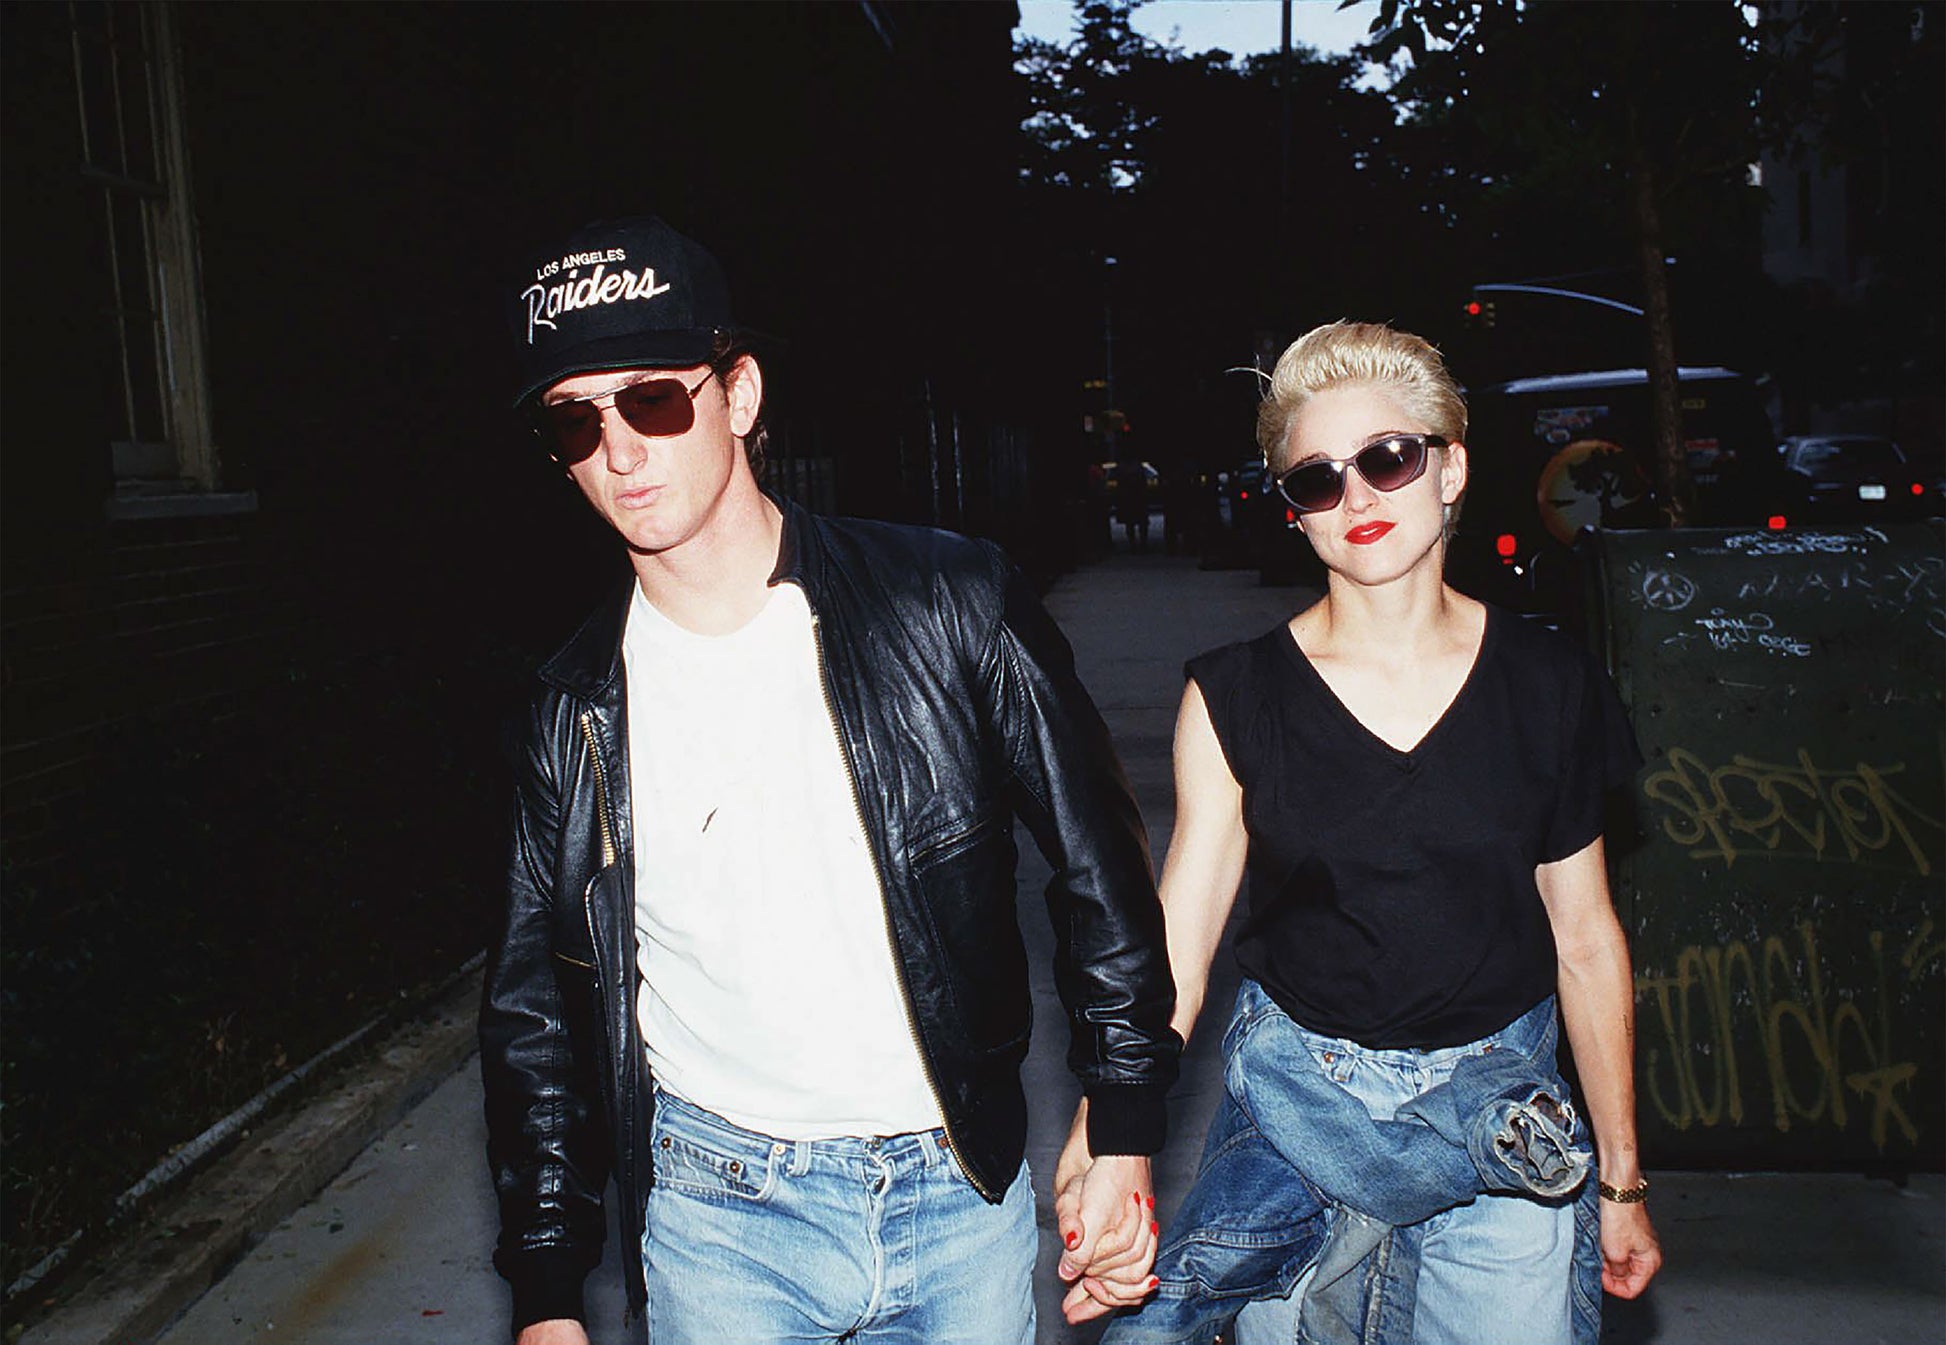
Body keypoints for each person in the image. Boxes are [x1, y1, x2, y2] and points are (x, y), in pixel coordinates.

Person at [477, 215, 1180, 1345]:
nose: (618, 451)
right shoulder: (568, 704)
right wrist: (548, 1289)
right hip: (720, 1215)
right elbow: (535, 1011)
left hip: (956, 1185)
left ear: (738, 393)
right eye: (574, 419)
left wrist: (1123, 1120)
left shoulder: (946, 600)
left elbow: (1097, 869)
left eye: (653, 399)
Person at [1062, 321, 1662, 1343]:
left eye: (1387, 459)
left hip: (1504, 1123)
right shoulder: (1234, 695)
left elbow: (1584, 936)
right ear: (1292, 514)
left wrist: (1619, 1176)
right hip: (1299, 1109)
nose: (1358, 499)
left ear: (1449, 467)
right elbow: (1181, 940)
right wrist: (1106, 1128)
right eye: (1315, 480)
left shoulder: (1547, 683)